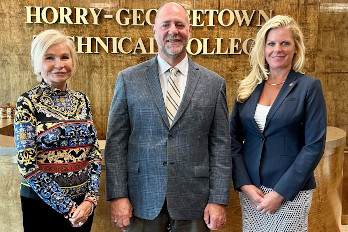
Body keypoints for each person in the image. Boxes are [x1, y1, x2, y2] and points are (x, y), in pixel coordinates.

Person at [104, 2, 232, 232]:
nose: (173, 30)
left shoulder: (214, 84)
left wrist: (219, 199)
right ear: (155, 31)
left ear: (189, 30)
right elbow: (116, 144)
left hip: (196, 202)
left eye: (179, 24)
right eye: (165, 25)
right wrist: (118, 196)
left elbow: (221, 146)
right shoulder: (128, 79)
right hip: (140, 200)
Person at [229, 15, 327, 231]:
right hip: (252, 192)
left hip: (290, 192)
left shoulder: (309, 87)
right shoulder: (248, 87)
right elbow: (232, 140)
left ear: (295, 48)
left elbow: (314, 146)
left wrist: (280, 193)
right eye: (271, 43)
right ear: (263, 48)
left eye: (285, 43)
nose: (277, 49)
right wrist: (245, 185)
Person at [14, 29, 102, 232]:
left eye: (65, 57)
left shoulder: (82, 100)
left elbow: (94, 155)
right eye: (49, 58)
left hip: (83, 206)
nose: (59, 65)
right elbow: (27, 165)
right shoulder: (27, 102)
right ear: (38, 63)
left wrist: (90, 200)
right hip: (41, 205)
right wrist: (68, 208)